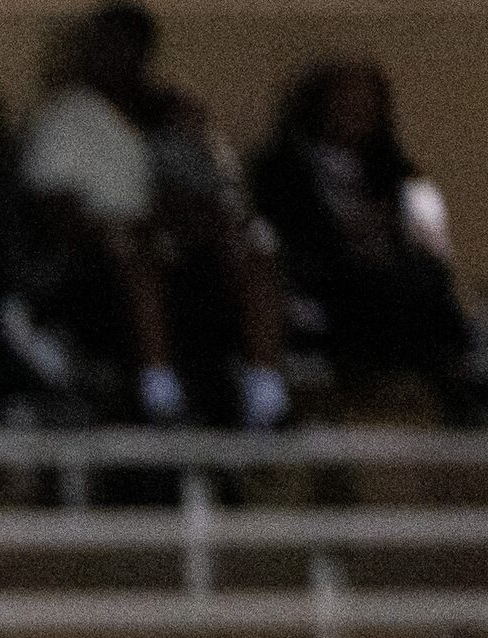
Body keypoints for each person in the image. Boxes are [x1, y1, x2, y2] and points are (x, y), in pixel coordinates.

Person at [20, 3, 290, 427]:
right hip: (105, 264)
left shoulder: (172, 115)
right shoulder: (65, 121)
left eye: (126, 47)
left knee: (255, 249)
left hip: (189, 255)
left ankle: (266, 394)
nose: (113, 56)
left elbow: (216, 191)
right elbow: (56, 216)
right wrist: (129, 228)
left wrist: (191, 211)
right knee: (139, 257)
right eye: (102, 46)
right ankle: (159, 393)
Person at [251, 60, 488, 422]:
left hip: (389, 278)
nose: (354, 110)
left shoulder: (398, 174)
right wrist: (346, 237)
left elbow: (428, 240)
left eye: (365, 101)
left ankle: (471, 378)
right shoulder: (281, 169)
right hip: (324, 285)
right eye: (344, 99)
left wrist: (384, 238)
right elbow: (279, 237)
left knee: (426, 278)